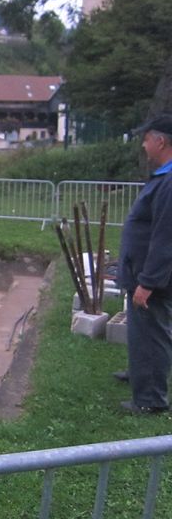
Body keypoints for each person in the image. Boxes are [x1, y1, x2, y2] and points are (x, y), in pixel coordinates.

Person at [118, 114, 172, 414]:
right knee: (142, 332)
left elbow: (166, 238)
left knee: (152, 333)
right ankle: (140, 374)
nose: (143, 144)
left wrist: (149, 282)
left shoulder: (170, 183)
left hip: (154, 279)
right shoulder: (164, 177)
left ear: (160, 141)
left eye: (147, 138)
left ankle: (150, 400)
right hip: (142, 272)